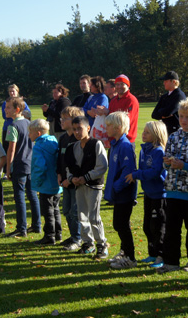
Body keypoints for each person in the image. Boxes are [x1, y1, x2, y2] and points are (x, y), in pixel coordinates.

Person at [158, 98, 188, 274]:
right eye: (181, 116)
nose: (184, 120)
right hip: (172, 189)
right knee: (171, 227)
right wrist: (168, 162)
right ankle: (171, 261)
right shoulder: (174, 136)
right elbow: (166, 160)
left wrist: (184, 166)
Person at [125, 121, 168, 269]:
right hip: (149, 194)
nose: (143, 134)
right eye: (144, 131)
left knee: (158, 227)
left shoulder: (158, 152)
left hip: (159, 195)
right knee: (147, 226)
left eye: (147, 132)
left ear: (156, 135)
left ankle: (162, 256)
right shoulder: (144, 150)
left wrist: (136, 175)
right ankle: (153, 253)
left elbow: (155, 172)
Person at [65, 116, 108, 258]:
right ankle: (88, 243)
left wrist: (86, 178)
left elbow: (102, 166)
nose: (77, 132)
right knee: (81, 215)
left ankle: (102, 244)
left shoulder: (96, 144)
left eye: (80, 128)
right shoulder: (73, 147)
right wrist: (73, 178)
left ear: (88, 128)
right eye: (74, 129)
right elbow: (68, 167)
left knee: (94, 216)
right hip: (79, 186)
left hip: (93, 185)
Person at [104, 112, 138, 269]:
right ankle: (124, 252)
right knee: (118, 224)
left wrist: (117, 187)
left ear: (118, 127)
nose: (106, 127)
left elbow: (128, 171)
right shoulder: (115, 144)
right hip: (117, 193)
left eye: (109, 125)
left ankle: (130, 257)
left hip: (124, 193)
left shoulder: (125, 145)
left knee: (121, 224)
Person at [5, 96, 41, 238]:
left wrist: (8, 168)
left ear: (17, 110)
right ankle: (37, 225)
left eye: (8, 107)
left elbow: (11, 149)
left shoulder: (12, 126)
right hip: (30, 163)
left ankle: (21, 228)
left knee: (19, 196)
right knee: (32, 196)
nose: (5, 110)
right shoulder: (29, 123)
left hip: (19, 165)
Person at [29, 119, 63, 245]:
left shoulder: (38, 146)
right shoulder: (54, 141)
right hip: (56, 183)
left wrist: (36, 181)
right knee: (56, 209)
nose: (29, 135)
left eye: (30, 132)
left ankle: (49, 236)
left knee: (47, 211)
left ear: (38, 133)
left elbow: (40, 166)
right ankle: (58, 233)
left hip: (45, 184)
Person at [57, 106, 85, 251]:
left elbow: (78, 163)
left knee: (75, 211)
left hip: (74, 182)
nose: (61, 121)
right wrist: (59, 174)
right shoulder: (62, 138)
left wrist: (70, 178)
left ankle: (78, 238)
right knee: (67, 210)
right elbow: (60, 159)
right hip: (64, 181)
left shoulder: (77, 139)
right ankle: (73, 235)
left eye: (65, 118)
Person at [100, 75, 139, 144]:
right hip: (113, 139)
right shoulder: (113, 100)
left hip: (126, 140)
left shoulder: (131, 100)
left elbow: (126, 121)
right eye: (117, 84)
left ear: (127, 85)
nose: (119, 86)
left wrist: (108, 113)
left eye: (122, 84)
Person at [1, 84, 31, 175]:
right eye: (10, 91)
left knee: (19, 148)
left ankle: (13, 168)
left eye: (13, 91)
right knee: (7, 148)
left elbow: (28, 114)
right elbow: (4, 115)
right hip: (7, 128)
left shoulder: (22, 103)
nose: (11, 93)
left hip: (19, 127)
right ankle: (7, 170)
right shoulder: (5, 102)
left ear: (17, 92)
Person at [152, 71, 187, 136]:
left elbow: (168, 112)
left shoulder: (179, 96)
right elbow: (154, 115)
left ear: (173, 81)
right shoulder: (164, 96)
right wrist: (163, 113)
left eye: (166, 81)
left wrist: (162, 112)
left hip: (175, 131)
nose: (163, 83)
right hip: (164, 130)